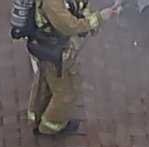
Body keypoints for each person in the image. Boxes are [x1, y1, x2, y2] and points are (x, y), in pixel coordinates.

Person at [26, 0, 122, 136]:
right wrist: (99, 18)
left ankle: (36, 116)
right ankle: (50, 127)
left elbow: (80, 6)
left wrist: (89, 22)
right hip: (53, 52)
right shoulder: (52, 3)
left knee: (46, 82)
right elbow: (69, 26)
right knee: (66, 93)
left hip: (52, 50)